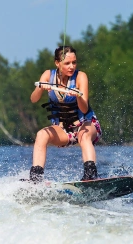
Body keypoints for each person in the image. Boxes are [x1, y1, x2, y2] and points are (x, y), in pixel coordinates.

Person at [29, 46, 102, 182]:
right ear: (57, 63)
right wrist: (40, 88)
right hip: (63, 129)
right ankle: (36, 178)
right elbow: (33, 99)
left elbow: (85, 109)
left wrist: (78, 96)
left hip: (85, 124)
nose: (71, 66)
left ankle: (90, 175)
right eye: (67, 63)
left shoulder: (81, 76)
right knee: (41, 135)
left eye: (74, 62)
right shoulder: (47, 75)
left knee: (83, 135)